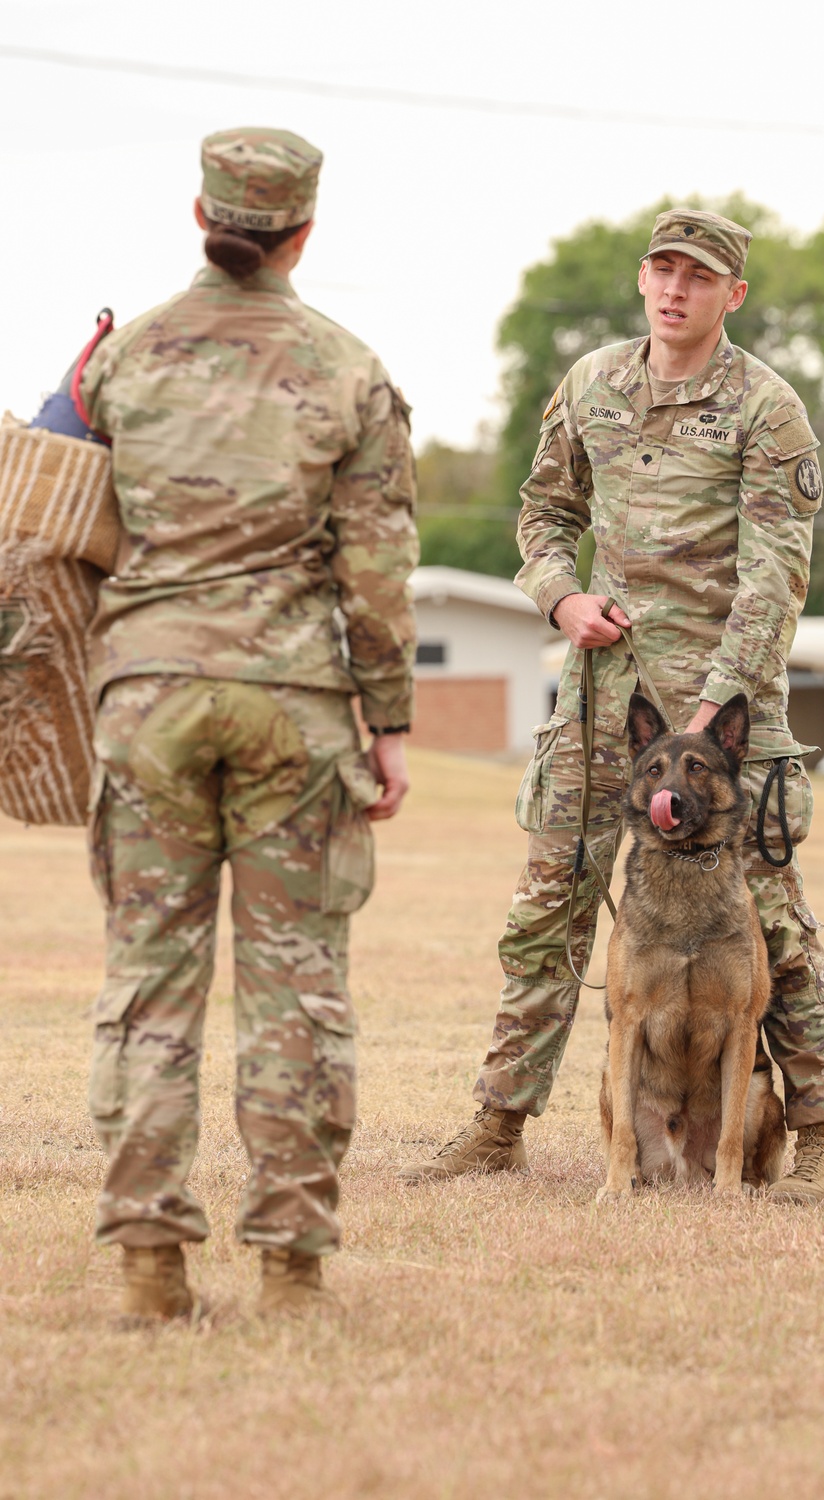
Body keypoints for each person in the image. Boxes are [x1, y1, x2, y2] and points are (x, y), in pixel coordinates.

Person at [401, 209, 824, 1202]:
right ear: (642, 279)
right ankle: (497, 1124)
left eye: (697, 276)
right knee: (548, 908)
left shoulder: (765, 409)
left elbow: (776, 573)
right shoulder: (591, 384)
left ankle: (821, 1138)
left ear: (731, 295)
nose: (673, 288)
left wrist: (712, 707)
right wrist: (560, 595)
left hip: (725, 724)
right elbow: (544, 513)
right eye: (660, 268)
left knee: (767, 918)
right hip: (602, 706)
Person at [80, 127, 418, 1318]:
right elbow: (376, 571)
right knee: (298, 989)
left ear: (200, 215)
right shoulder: (346, 367)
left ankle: (148, 1268)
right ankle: (291, 1270)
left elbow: (57, 521)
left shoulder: (121, 362)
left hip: (151, 701)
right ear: (304, 230)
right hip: (290, 711)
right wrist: (388, 723)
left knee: (148, 987)